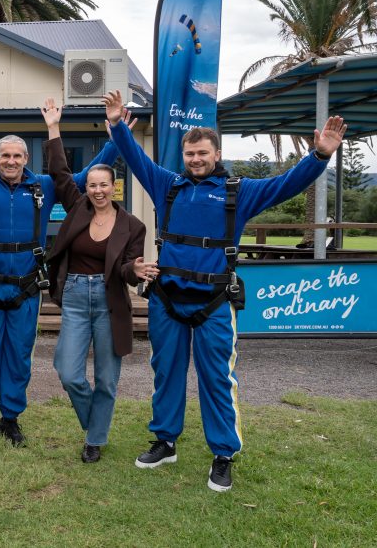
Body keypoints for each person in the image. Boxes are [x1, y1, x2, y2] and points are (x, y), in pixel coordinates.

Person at [103, 89, 347, 491]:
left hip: (214, 302)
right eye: (190, 154)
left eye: (203, 153)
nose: (196, 160)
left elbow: (287, 184)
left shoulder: (240, 192)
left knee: (217, 378)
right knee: (166, 374)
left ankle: (222, 454)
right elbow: (135, 159)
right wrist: (116, 125)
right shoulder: (167, 186)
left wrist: (319, 156)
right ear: (183, 156)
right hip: (167, 300)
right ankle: (165, 441)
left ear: (216, 154)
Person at [0, 131, 119, 448]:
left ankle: (10, 419)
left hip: (27, 287)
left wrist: (114, 142)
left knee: (18, 356)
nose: (11, 161)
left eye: (17, 156)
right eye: (5, 156)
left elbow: (88, 177)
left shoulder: (43, 185)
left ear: (26, 159)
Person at [40, 98, 154, 463]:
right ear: (86, 187)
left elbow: (123, 268)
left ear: (114, 186)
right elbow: (59, 173)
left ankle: (95, 440)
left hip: (109, 304)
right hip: (74, 296)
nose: (98, 190)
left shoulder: (132, 226)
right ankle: (96, 424)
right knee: (68, 372)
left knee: (107, 379)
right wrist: (53, 129)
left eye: (104, 184)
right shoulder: (77, 207)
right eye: (92, 184)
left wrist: (133, 271)